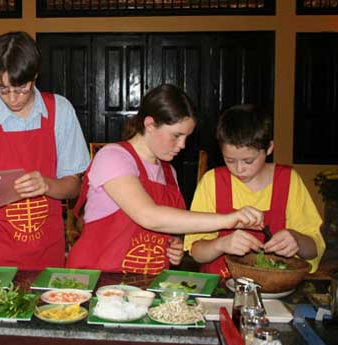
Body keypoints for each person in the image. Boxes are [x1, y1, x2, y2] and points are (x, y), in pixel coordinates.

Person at [67, 84, 264, 275]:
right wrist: (229, 219)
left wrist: (172, 246)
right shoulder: (113, 157)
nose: (183, 145)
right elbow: (149, 217)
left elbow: (163, 227)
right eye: (176, 136)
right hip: (96, 280)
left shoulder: (169, 172)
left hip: (141, 287)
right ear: (150, 124)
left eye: (186, 137)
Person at [0, 31, 90, 270]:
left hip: (49, 251)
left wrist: (47, 185)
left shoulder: (60, 111)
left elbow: (73, 186)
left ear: (34, 76)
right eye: (2, 89)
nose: (12, 98)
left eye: (21, 88)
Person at [185, 104, 324, 278]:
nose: (239, 169)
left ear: (269, 148)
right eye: (230, 160)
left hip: (275, 287)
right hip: (221, 287)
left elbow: (313, 250)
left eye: (248, 161)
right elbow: (196, 252)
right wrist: (221, 244)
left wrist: (296, 239)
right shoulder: (212, 182)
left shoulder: (289, 181)